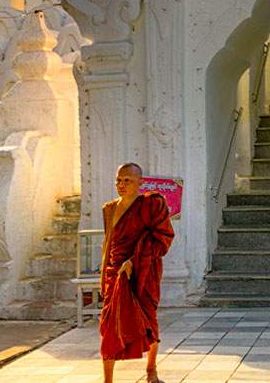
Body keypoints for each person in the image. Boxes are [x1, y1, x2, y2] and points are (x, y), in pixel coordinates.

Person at [99, 163, 175, 383]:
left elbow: (163, 237)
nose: (121, 185)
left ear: (140, 182)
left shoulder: (151, 205)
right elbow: (109, 244)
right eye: (118, 180)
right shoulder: (110, 209)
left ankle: (151, 371)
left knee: (148, 321)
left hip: (143, 273)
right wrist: (104, 273)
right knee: (109, 325)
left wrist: (134, 261)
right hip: (115, 273)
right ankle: (108, 380)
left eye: (127, 180)